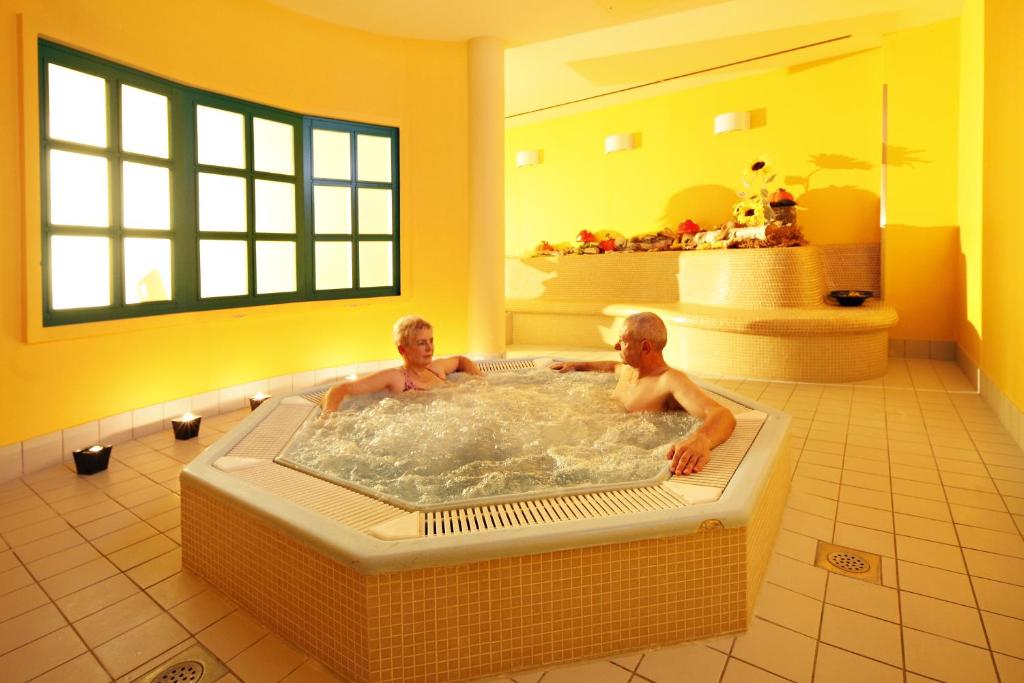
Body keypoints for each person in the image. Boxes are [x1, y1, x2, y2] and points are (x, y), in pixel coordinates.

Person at [550, 312, 736, 476]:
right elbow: (611, 366)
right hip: (594, 446)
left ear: (645, 347)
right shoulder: (629, 370)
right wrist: (578, 365)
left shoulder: (669, 380)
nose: (616, 346)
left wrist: (701, 439)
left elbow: (722, 414)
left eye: (623, 341)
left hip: (628, 458)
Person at [320, 315, 482, 414]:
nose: (430, 348)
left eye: (431, 341)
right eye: (421, 343)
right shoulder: (397, 378)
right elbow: (338, 389)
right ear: (402, 349)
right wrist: (327, 419)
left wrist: (480, 381)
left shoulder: (436, 368)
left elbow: (461, 360)